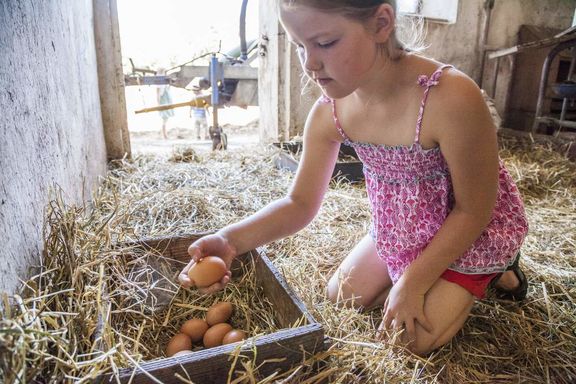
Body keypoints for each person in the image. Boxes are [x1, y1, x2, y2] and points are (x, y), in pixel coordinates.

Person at [178, 0, 529, 356]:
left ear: (381, 23)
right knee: (342, 296)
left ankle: (499, 268)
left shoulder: (449, 97)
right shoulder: (331, 110)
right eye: (300, 46)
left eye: (325, 43)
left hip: (466, 227)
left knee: (408, 342)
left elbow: (473, 210)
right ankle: (426, 273)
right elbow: (299, 203)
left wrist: (412, 284)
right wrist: (231, 240)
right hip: (404, 226)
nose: (310, 63)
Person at [156, 68, 175, 139]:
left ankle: (165, 134)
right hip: (164, 103)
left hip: (167, 102)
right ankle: (164, 135)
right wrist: (158, 104)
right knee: (164, 119)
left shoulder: (164, 84)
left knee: (165, 119)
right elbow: (158, 93)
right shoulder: (160, 84)